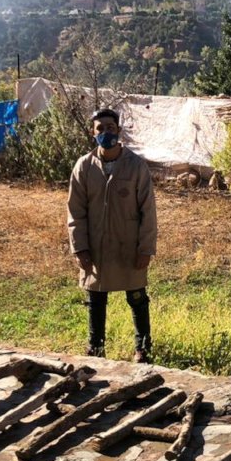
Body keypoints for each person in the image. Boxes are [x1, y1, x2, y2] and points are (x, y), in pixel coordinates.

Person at [67, 108, 158, 363]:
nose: (105, 133)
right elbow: (75, 211)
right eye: (100, 129)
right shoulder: (84, 166)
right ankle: (96, 348)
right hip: (96, 244)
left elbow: (148, 211)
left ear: (118, 130)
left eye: (110, 127)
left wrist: (146, 248)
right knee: (96, 297)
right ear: (92, 133)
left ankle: (143, 348)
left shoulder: (136, 165)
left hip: (128, 244)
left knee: (137, 297)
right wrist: (80, 248)